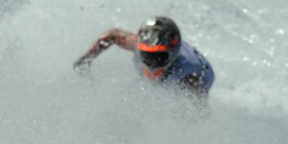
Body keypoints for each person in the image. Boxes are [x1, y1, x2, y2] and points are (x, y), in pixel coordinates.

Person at [73, 16, 215, 100]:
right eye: (147, 55)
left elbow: (197, 116)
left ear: (173, 52)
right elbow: (112, 35)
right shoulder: (137, 43)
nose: (152, 63)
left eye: (159, 57)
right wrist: (86, 59)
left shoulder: (191, 77)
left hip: (193, 77)